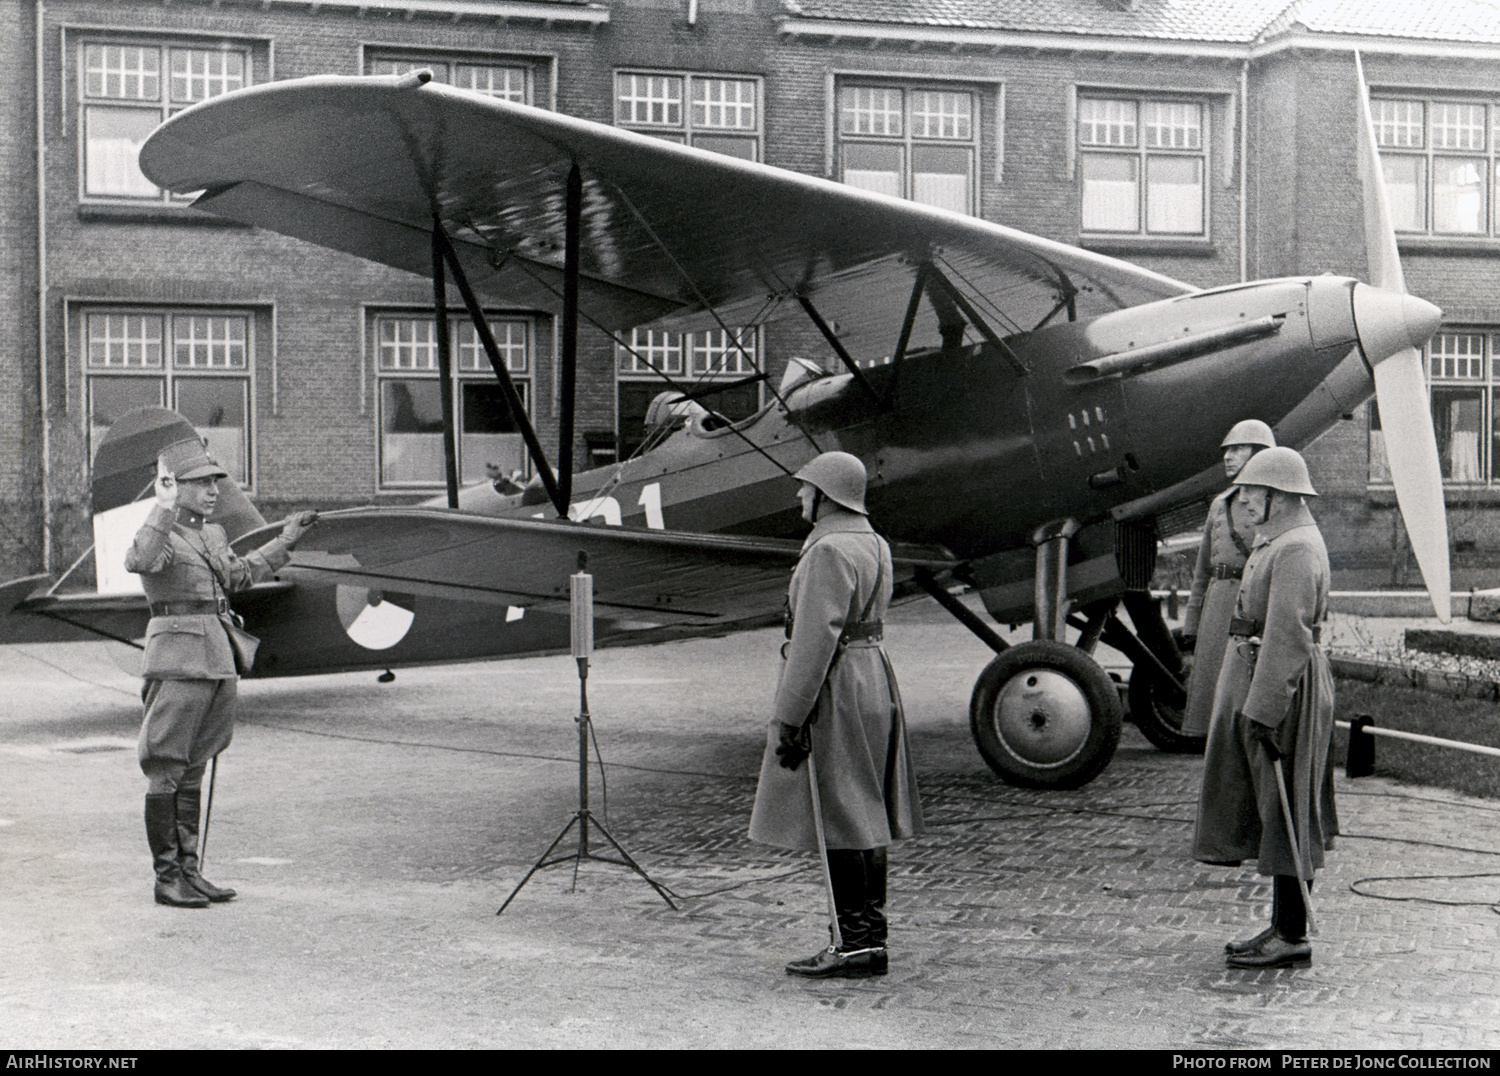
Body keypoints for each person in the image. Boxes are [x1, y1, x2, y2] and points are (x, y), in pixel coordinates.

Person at [748, 451, 924, 978]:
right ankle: (869, 937)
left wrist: (792, 716)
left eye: (806, 489)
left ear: (827, 495)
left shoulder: (826, 551)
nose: (801, 497)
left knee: (842, 812)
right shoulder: (875, 543)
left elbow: (812, 643)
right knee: (866, 809)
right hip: (874, 677)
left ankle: (853, 945)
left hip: (837, 683)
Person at [125, 438, 318, 907]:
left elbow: (239, 577)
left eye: (215, 481)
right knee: (167, 766)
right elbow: (141, 562)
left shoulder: (211, 535)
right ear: (175, 486)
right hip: (178, 660)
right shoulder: (161, 531)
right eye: (201, 482)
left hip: (218, 657)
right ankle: (166, 877)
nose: (213, 490)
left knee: (195, 765)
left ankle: (190, 872)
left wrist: (286, 540)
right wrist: (163, 507)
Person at [1193, 446, 1337, 969]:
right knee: (1275, 808)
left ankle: (1292, 934)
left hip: (1286, 691)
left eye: (1253, 491)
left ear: (1277, 494)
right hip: (1268, 682)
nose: (1244, 499)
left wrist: (1265, 710)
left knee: (1290, 808)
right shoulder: (1277, 540)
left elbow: (1287, 638)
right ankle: (1281, 926)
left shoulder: (1295, 548)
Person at [1179, 419, 1277, 738]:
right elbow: (1203, 570)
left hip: (1251, 603)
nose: (1228, 456)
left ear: (1260, 453)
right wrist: (1193, 623)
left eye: (1237, 449)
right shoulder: (1219, 505)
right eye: (1227, 450)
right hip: (1217, 605)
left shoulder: (1275, 502)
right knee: (1210, 685)